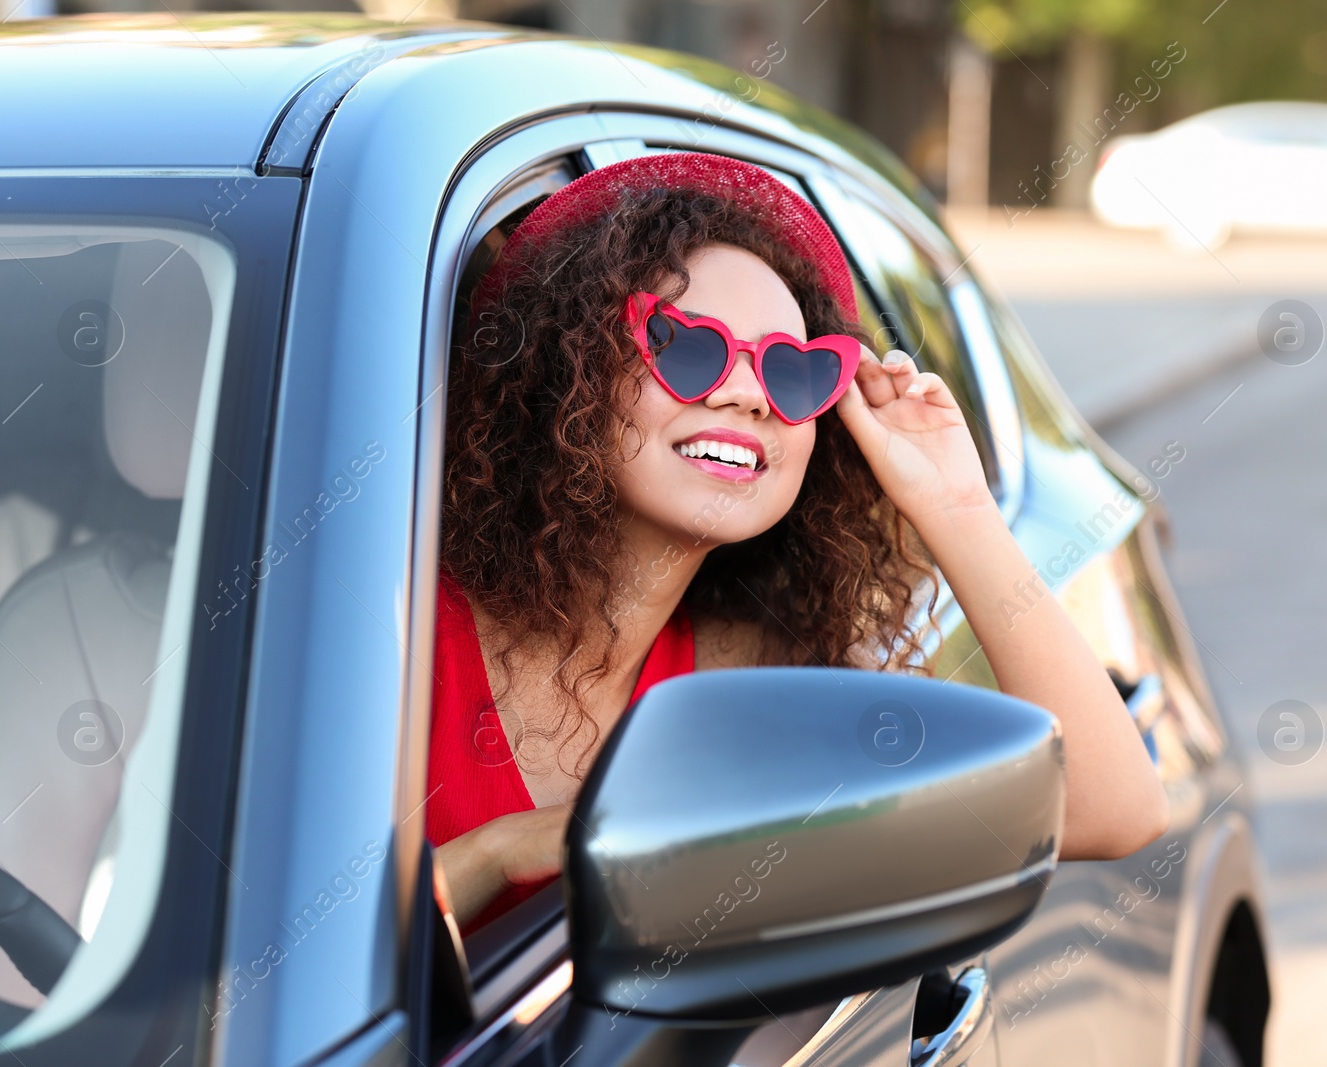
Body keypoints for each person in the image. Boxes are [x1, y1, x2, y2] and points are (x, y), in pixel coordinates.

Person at [427, 152, 1168, 931]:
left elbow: (1112, 809)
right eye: (687, 346)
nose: (748, 393)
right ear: (563, 365)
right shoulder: (393, 639)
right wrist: (497, 853)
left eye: (795, 372)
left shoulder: (748, 680)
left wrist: (955, 504)